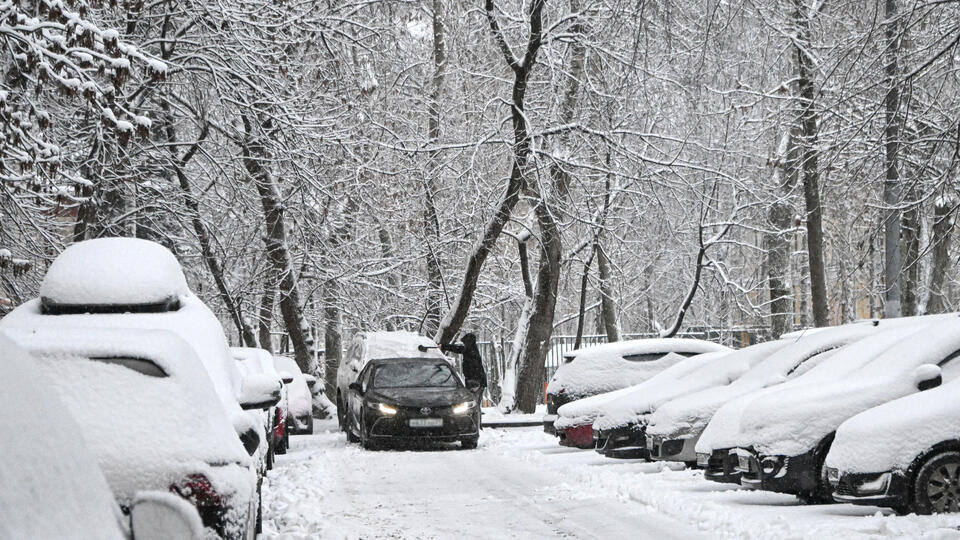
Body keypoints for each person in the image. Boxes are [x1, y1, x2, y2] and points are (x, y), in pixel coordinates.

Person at [440, 333, 486, 413]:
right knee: (473, 404)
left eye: (465, 343)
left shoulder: (471, 351)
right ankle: (476, 422)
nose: (464, 344)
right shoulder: (471, 350)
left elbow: (458, 349)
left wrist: (474, 383)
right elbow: (458, 349)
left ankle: (475, 422)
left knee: (473, 404)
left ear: (468, 342)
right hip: (476, 381)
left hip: (475, 382)